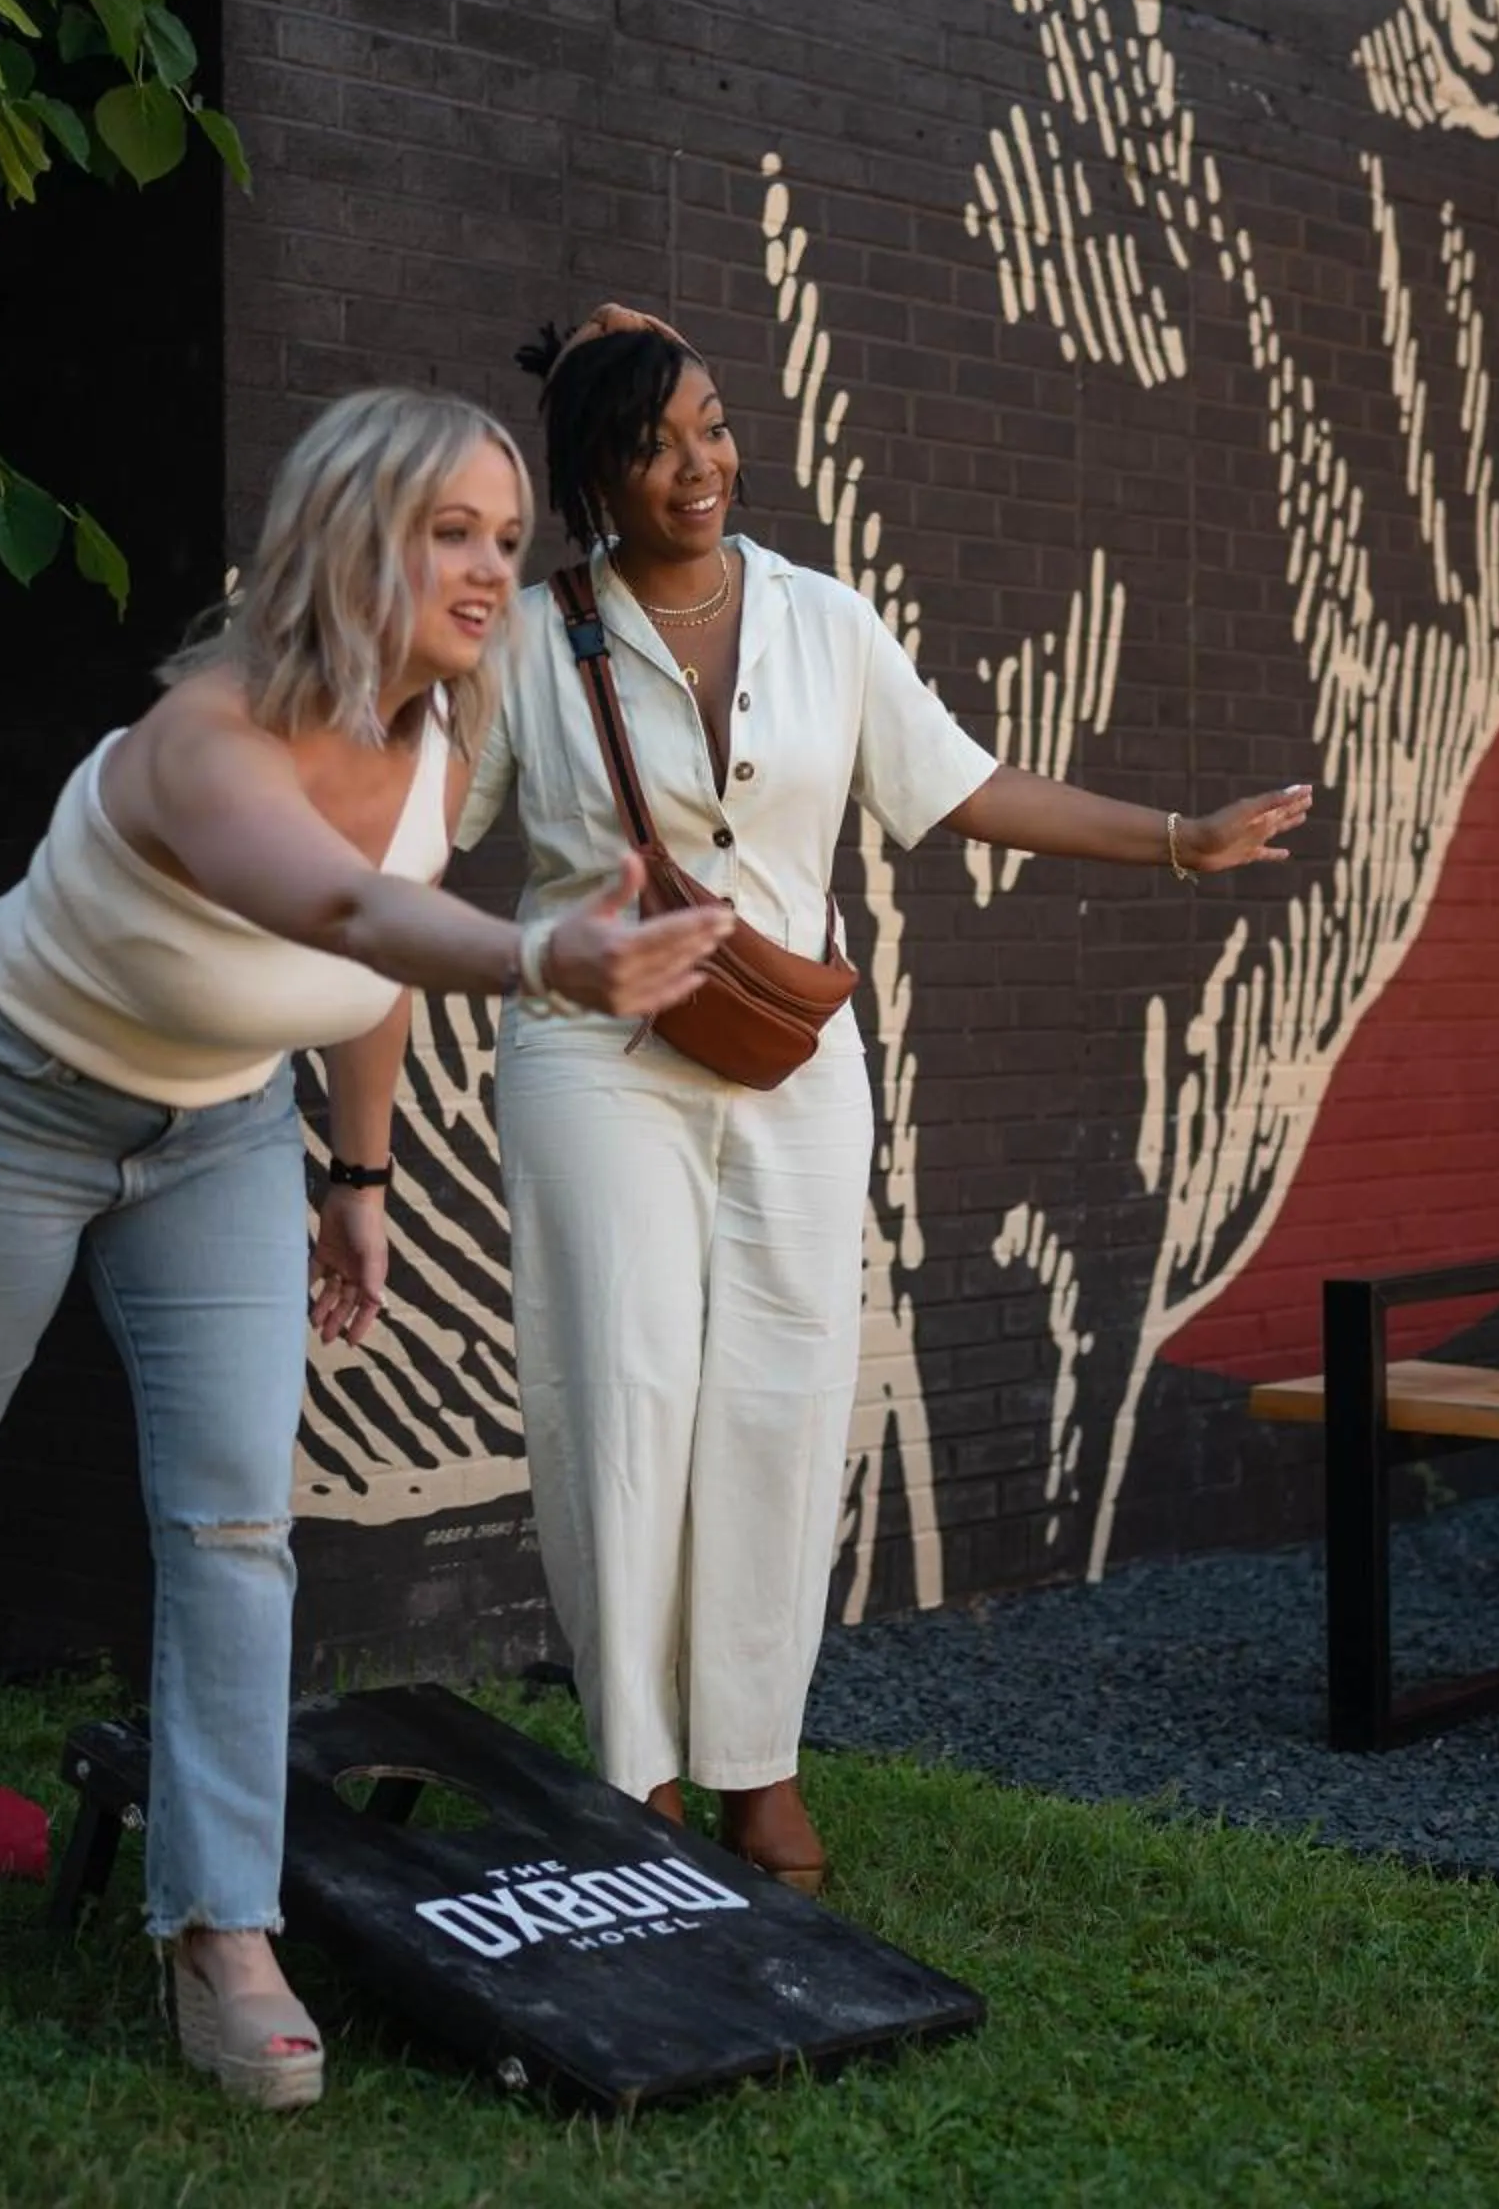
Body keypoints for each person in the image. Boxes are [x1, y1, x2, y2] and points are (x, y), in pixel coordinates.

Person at [0, 386, 734, 2111]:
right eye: (449, 533)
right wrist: (547, 958)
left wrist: (359, 1173)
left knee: (239, 1527)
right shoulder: (204, 731)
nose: (490, 567)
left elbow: (375, 966)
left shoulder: (437, 741)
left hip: (223, 1139)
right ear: (354, 533)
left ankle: (221, 1927)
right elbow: (334, 905)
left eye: (502, 533)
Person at [461, 306, 1311, 1891]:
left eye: (710, 425)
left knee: (782, 1399)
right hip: (597, 1061)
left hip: (791, 1058)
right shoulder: (525, 642)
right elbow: (416, 841)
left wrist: (1185, 840)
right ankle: (635, 1775)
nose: (698, 466)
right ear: (593, 478)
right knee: (623, 1396)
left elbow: (966, 786)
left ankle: (753, 1764)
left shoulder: (816, 617)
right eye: (653, 448)